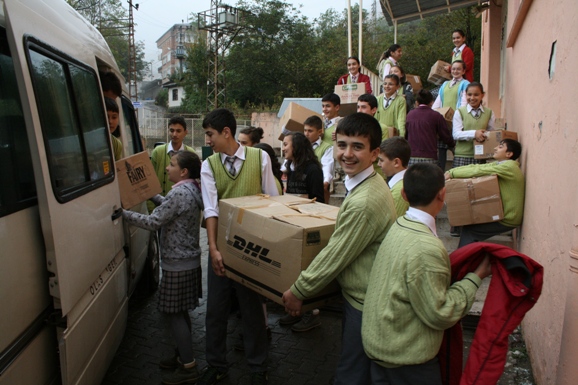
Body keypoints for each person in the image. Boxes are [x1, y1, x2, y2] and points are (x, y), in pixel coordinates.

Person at [282, 113, 397, 384]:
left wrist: (299, 290)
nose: (347, 154)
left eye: (357, 147)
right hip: (364, 295)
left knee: (351, 375)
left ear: (374, 153)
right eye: (342, 145)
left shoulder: (365, 201)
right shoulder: (365, 183)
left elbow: (337, 254)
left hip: (364, 302)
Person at [362, 163, 492, 385]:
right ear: (443, 194)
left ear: (403, 194)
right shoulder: (426, 248)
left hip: (382, 342)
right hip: (404, 357)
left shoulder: (399, 224)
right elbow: (440, 313)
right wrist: (476, 277)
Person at [200, 108, 279, 385]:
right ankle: (216, 364)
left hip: (252, 249)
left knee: (252, 310)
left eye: (210, 134)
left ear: (226, 132)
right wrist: (213, 250)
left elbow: (273, 202)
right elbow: (211, 210)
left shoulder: (260, 158)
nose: (208, 140)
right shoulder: (209, 165)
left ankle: (258, 367)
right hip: (223, 247)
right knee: (216, 311)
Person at [122, 151, 204, 385]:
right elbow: (170, 206)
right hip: (188, 261)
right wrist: (153, 194)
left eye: (171, 165)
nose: (167, 168)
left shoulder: (179, 192)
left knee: (173, 314)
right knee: (180, 313)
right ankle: (183, 355)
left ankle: (188, 367)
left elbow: (153, 222)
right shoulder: (191, 189)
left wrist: (122, 214)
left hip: (177, 263)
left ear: (184, 171)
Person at [445, 138, 525, 248]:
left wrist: (452, 174)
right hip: (504, 213)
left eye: (500, 147)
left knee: (470, 231)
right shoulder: (502, 164)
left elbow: (479, 171)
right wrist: (451, 172)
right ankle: (468, 258)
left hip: (509, 218)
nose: (495, 148)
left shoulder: (509, 167)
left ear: (509, 154)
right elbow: (478, 167)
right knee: (468, 227)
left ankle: (462, 261)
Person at [149, 116, 195, 212]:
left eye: (178, 131)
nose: (174, 134)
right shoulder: (158, 152)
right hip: (158, 207)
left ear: (185, 132)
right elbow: (150, 179)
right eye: (172, 130)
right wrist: (151, 207)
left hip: (182, 209)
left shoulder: (190, 153)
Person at [432, 60, 469, 169]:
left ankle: (456, 172)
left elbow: (464, 103)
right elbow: (438, 101)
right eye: (453, 69)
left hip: (457, 121)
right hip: (444, 122)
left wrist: (457, 117)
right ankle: (441, 174)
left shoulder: (465, 84)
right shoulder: (445, 84)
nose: (455, 71)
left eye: (458, 69)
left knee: (456, 149)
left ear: (463, 71)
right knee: (441, 150)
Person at [405, 89, 455, 166]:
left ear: (417, 102)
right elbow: (445, 136)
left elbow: (406, 134)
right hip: (430, 156)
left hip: (412, 156)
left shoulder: (410, 115)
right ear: (432, 102)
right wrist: (452, 144)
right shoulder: (436, 116)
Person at [452, 82, 495, 167]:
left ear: (482, 95)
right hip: (462, 156)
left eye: (476, 95)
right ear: (465, 95)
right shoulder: (460, 112)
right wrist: (475, 134)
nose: (472, 98)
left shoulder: (489, 113)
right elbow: (456, 134)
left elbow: (491, 133)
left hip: (481, 157)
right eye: (469, 94)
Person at [303, 115, 334, 204]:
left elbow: (327, 166)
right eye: (305, 130)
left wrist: (325, 182)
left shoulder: (327, 148)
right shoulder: (300, 146)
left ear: (319, 132)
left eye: (310, 131)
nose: (306, 134)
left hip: (317, 185)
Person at [378, 137, 410, 218]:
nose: (378, 164)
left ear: (396, 162)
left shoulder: (399, 191)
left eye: (381, 160)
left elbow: (392, 223)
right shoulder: (403, 183)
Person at [357, 94, 386, 179]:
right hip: (357, 174)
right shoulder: (353, 129)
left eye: (363, 107)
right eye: (358, 107)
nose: (359, 111)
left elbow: (382, 153)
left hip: (376, 174)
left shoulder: (382, 128)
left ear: (373, 110)